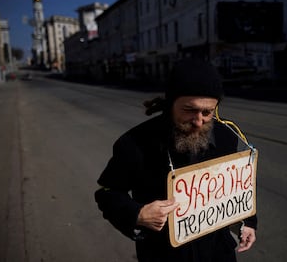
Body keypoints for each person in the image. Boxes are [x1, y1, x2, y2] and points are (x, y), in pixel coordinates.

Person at [95, 58, 257, 262]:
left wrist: (248, 222)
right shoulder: (135, 143)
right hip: (164, 255)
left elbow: (239, 186)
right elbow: (107, 192)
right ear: (171, 103)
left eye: (207, 112)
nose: (199, 121)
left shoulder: (227, 136)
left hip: (218, 253)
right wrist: (137, 213)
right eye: (189, 110)